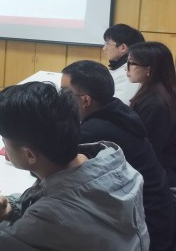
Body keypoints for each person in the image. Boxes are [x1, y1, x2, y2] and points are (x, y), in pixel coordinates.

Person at [0, 81, 149, 251]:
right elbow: (64, 195)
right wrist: (14, 207)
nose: (4, 146)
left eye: (4, 140)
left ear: (29, 154)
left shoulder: (52, 216)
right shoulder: (109, 162)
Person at [62, 60, 176, 251]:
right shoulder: (115, 108)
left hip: (146, 228)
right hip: (159, 212)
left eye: (64, 93)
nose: (60, 99)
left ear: (86, 100)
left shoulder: (93, 132)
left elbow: (53, 164)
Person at [127, 41, 176, 186]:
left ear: (149, 69)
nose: (126, 68)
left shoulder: (155, 103)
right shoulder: (158, 94)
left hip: (156, 176)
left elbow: (148, 147)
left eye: (131, 63)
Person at [103, 24, 145, 103]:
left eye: (107, 44)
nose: (104, 48)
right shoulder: (120, 67)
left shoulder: (129, 73)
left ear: (123, 48)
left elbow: (121, 105)